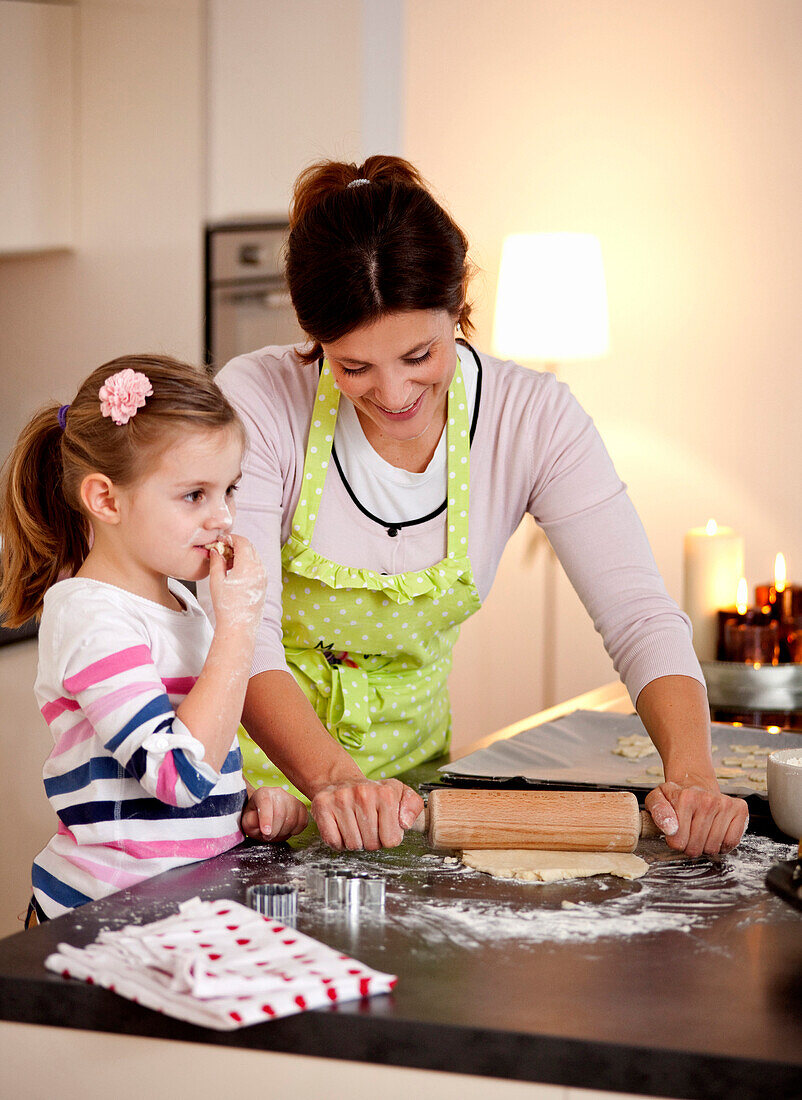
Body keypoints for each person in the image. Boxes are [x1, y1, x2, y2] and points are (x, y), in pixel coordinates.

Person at [203, 155, 748, 860]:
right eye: (354, 367)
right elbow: (241, 631)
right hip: (242, 809)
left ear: (458, 304)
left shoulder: (533, 419)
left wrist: (693, 777)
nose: (393, 393)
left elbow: (639, 615)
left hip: (410, 812)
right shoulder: (260, 400)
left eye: (419, 354)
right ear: (316, 341)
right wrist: (334, 781)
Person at [0, 355, 308, 923]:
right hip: (100, 919)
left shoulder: (182, 605)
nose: (222, 517)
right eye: (194, 495)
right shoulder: (92, 618)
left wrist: (240, 807)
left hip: (175, 910)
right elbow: (177, 776)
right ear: (107, 500)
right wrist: (239, 627)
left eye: (228, 490)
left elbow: (193, 773)